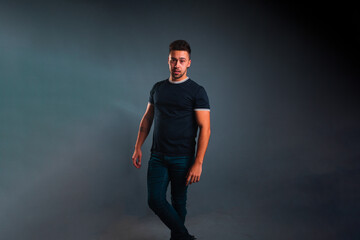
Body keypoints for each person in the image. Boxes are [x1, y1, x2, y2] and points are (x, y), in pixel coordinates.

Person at [132, 39, 211, 240]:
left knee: (178, 203)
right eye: (173, 60)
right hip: (157, 155)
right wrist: (138, 146)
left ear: (189, 63)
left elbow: (205, 128)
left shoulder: (196, 91)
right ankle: (185, 237)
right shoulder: (158, 88)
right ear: (168, 61)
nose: (177, 65)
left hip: (183, 158)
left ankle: (178, 238)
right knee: (155, 200)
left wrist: (198, 162)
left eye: (181, 61)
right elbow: (148, 118)